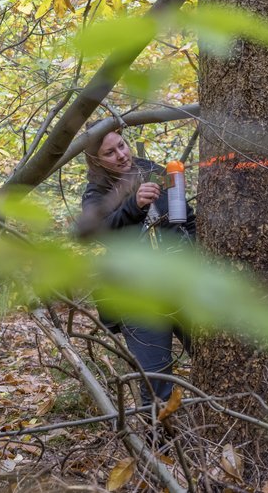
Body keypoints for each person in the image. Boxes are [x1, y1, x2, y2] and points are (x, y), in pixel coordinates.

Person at [78, 129, 196, 405]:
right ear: (95, 160)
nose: (121, 155)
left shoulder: (153, 171)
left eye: (122, 145)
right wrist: (134, 205)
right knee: (157, 384)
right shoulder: (97, 192)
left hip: (183, 287)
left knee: (216, 358)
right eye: (110, 152)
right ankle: (160, 445)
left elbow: (186, 220)